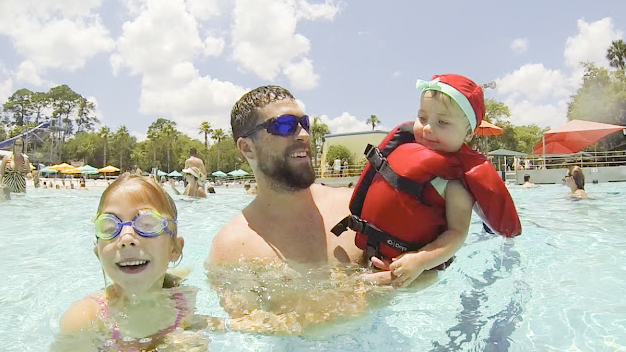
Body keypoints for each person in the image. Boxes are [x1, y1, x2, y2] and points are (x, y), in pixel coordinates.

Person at [208, 85, 381, 333]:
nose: (303, 135)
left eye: (304, 123)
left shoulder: (354, 207)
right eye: (284, 125)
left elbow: (422, 273)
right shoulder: (232, 247)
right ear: (247, 148)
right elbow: (248, 336)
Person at [332, 74, 521, 288]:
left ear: (468, 134)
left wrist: (420, 260)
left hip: (416, 268)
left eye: (442, 122)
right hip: (370, 248)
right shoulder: (400, 152)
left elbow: (457, 234)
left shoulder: (454, 185)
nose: (428, 128)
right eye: (422, 118)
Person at [54, 173, 219, 351]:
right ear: (98, 253)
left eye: (147, 224)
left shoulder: (183, 296)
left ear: (174, 250)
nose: (126, 237)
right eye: (109, 228)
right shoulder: (84, 319)